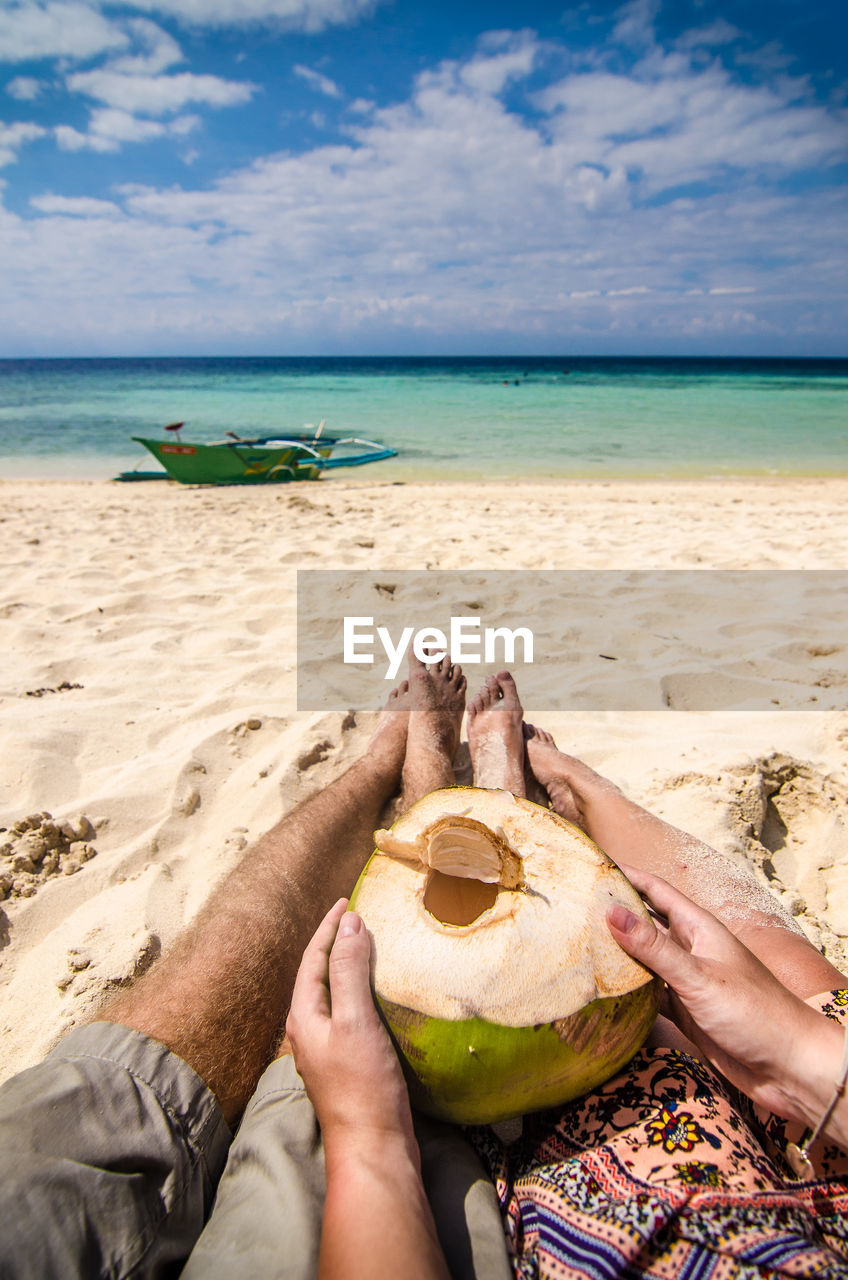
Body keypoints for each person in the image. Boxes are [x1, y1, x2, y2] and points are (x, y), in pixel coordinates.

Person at [285, 672, 848, 1280]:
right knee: (772, 963)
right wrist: (799, 1054)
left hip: (676, 1226)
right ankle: (565, 784)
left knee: (657, 1088)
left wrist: (368, 1136)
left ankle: (474, 781)